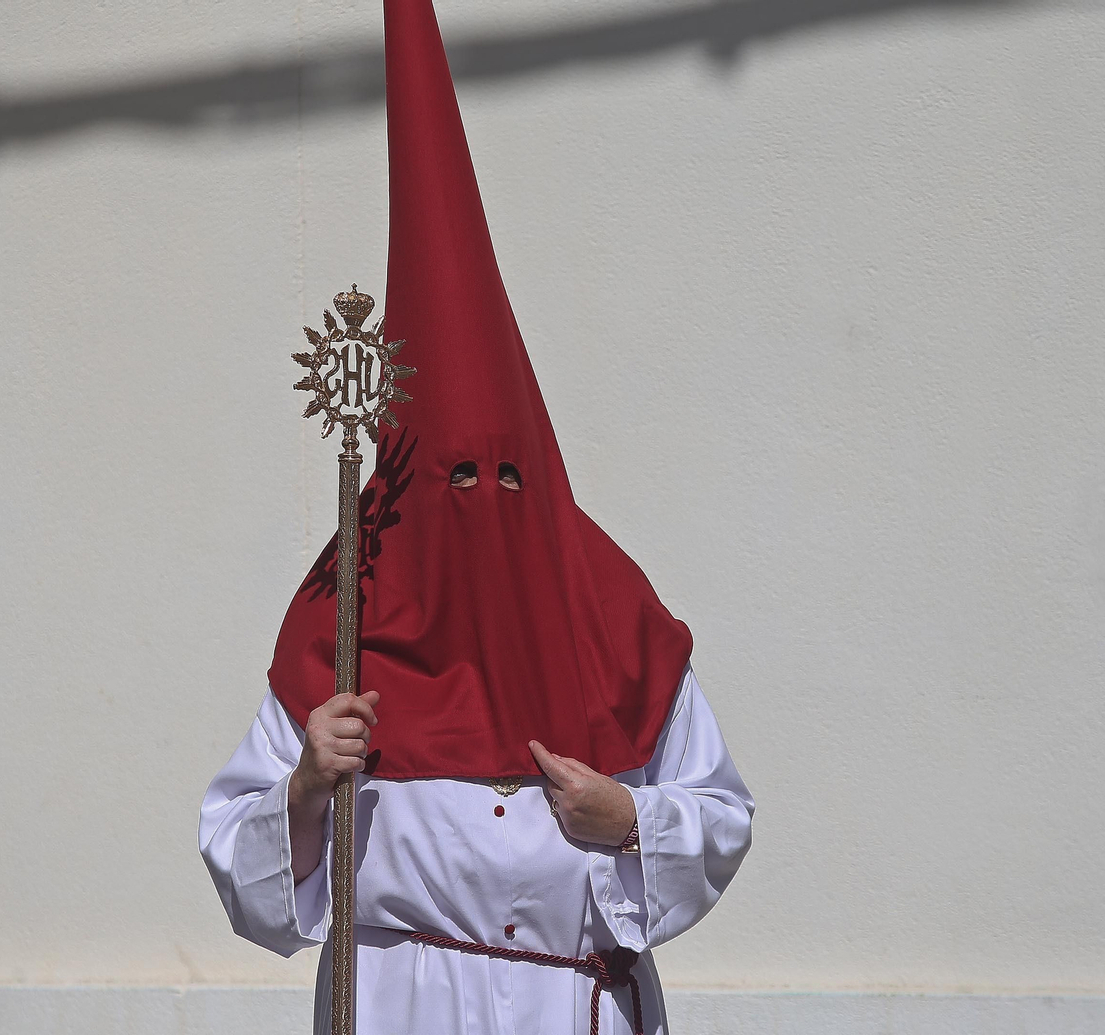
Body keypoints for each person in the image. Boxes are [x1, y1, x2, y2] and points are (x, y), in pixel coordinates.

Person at [198, 2, 753, 1032]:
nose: (482, 511)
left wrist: (628, 815)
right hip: (400, 1005)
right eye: (454, 480)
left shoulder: (612, 621)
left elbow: (719, 814)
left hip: (569, 1004)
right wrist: (311, 786)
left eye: (505, 478)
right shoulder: (344, 626)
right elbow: (240, 862)